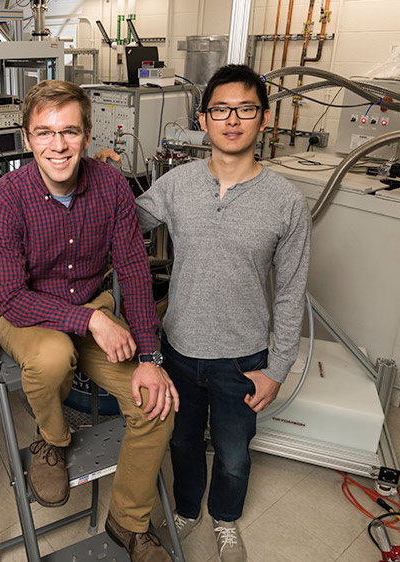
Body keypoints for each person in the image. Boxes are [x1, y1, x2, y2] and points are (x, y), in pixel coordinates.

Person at [0, 80, 177, 562]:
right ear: (28, 138)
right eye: (45, 133)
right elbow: (8, 295)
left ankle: (127, 521)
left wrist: (151, 357)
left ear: (87, 135)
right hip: (27, 315)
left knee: (158, 404)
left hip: (94, 310)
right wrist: (89, 320)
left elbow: (132, 267)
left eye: (69, 131)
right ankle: (51, 440)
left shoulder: (110, 185)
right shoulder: (7, 198)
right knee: (52, 357)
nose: (58, 145)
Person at [133, 65, 311, 562]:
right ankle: (188, 508)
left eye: (245, 110)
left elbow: (292, 290)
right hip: (179, 350)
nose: (232, 120)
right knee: (183, 442)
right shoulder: (177, 184)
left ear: (264, 119)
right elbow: (124, 226)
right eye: (220, 110)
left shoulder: (286, 203)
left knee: (233, 456)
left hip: (243, 360)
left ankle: (225, 519)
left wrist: (276, 369)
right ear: (203, 118)